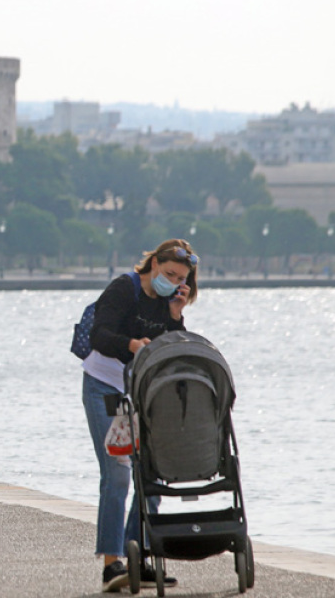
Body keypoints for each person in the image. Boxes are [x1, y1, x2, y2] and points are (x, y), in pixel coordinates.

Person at [84, 239, 197, 592]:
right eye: (169, 274)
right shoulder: (124, 288)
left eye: (180, 279)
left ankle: (139, 558)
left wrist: (175, 315)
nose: (173, 282)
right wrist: (131, 345)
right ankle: (111, 564)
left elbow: (173, 351)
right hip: (105, 387)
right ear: (154, 264)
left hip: (142, 393)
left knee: (150, 473)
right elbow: (99, 335)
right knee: (117, 473)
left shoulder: (168, 303)